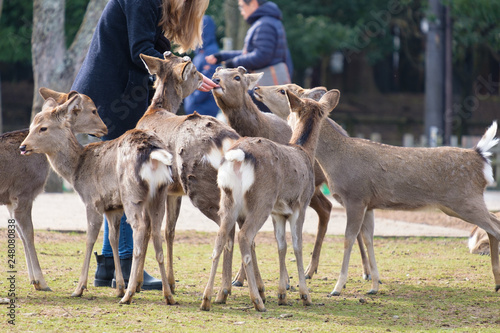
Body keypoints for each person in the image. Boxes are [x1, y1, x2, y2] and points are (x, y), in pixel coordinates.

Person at [71, 0, 216, 290]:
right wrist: (182, 72)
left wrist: (186, 73)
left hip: (116, 91)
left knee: (121, 177)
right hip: (115, 96)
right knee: (131, 177)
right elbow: (141, 51)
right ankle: (126, 262)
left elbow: (150, 45)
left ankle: (109, 266)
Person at [205, 0, 293, 83]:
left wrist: (233, 63)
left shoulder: (264, 24)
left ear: (253, 3)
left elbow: (261, 57)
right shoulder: (266, 22)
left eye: (242, 6)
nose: (241, 11)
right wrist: (222, 56)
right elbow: (249, 53)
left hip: (267, 85)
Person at [184, 15, 220, 118]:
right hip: (195, 107)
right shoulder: (199, 54)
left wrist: (192, 99)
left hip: (204, 109)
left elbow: (208, 79)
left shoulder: (211, 53)